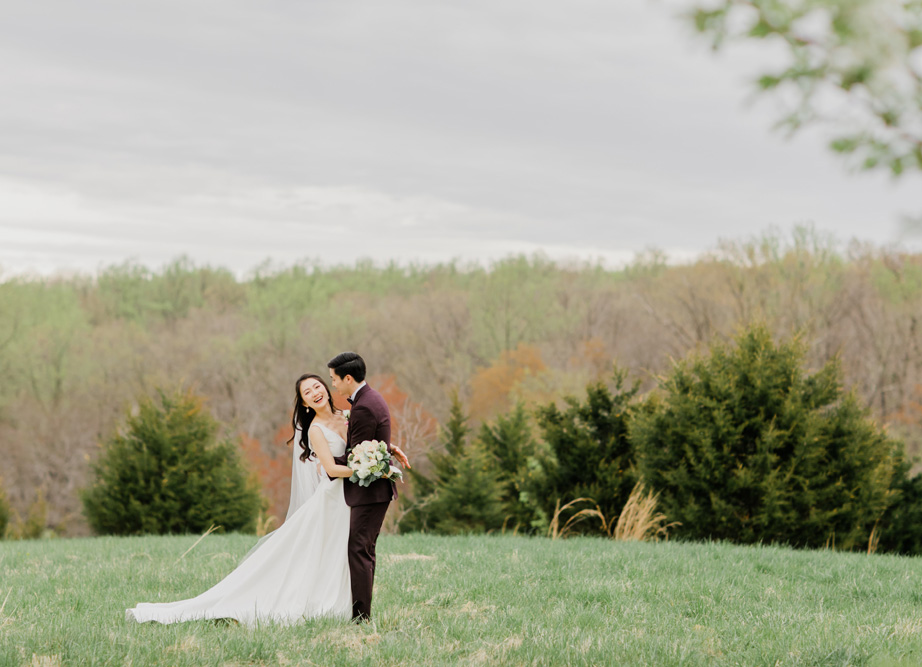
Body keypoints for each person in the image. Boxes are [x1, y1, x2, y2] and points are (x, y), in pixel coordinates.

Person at [125, 373, 354, 626]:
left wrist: (377, 456)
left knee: (337, 552)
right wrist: (366, 469)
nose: (314, 393)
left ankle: (340, 600)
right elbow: (331, 470)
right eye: (307, 393)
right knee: (314, 552)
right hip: (329, 498)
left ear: (327, 388)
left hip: (346, 499)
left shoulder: (346, 417)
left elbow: (361, 445)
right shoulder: (315, 430)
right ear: (304, 404)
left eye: (317, 387)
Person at [327, 351, 409, 622]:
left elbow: (356, 457)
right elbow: (372, 444)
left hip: (369, 492)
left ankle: (361, 617)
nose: (334, 386)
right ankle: (360, 613)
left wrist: (323, 458)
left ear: (348, 378)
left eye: (334, 380)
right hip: (375, 492)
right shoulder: (371, 398)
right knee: (364, 549)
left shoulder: (363, 406)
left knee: (359, 549)